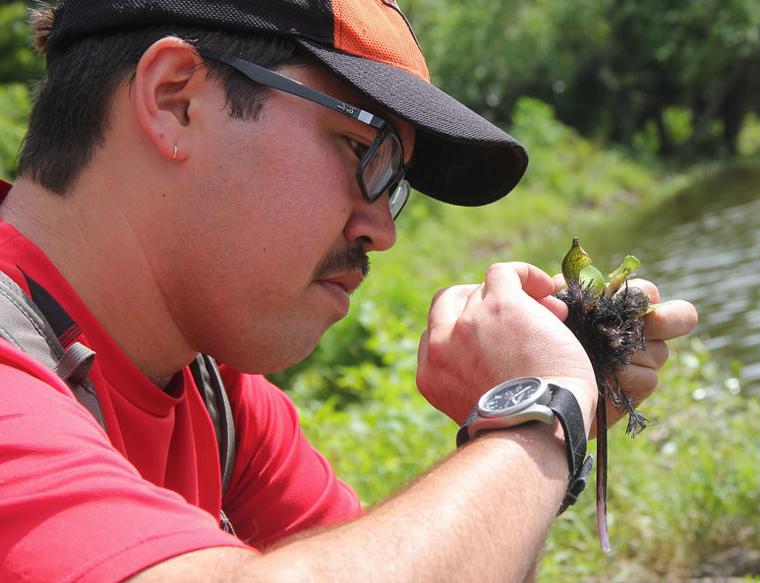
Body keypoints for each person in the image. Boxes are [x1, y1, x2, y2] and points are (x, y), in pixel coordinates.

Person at [0, 1, 697, 581]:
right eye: (364, 151)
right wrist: (538, 414)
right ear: (175, 100)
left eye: (394, 186)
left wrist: (530, 415)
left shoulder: (220, 401)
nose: (380, 230)